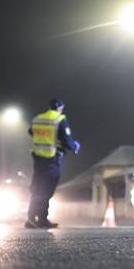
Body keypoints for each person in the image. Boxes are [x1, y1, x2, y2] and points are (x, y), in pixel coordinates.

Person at [25, 98, 80, 229]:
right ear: (61, 107)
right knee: (46, 190)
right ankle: (42, 219)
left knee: (36, 188)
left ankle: (31, 218)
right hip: (52, 159)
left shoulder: (38, 118)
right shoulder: (60, 119)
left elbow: (31, 131)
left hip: (38, 158)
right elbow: (66, 140)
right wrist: (75, 147)